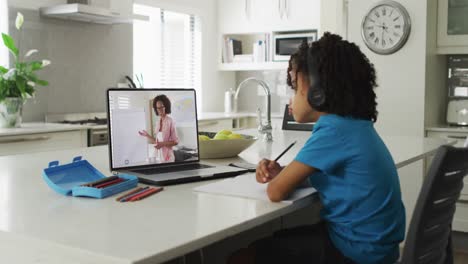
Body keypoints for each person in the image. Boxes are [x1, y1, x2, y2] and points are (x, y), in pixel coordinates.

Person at [229, 33, 405, 264]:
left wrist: (280, 180)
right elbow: (325, 178)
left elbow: (275, 192)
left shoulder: (333, 130)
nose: (291, 99)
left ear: (317, 91)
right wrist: (283, 173)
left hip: (355, 253)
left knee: (243, 256)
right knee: (278, 240)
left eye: (294, 87)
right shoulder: (353, 125)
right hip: (375, 248)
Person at [138, 94, 179, 163]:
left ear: (166, 106)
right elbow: (157, 142)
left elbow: (175, 141)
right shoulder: (158, 122)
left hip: (168, 157)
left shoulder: (170, 121)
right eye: (157, 108)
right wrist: (147, 135)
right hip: (159, 156)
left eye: (161, 107)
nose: (159, 110)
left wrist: (162, 144)